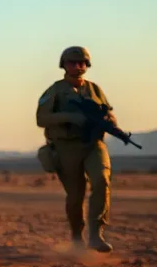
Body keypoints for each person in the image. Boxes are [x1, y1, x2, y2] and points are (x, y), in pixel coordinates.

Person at [36, 46, 115, 252]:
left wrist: (110, 122)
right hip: (66, 147)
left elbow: (108, 112)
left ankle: (96, 234)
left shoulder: (94, 89)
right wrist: (70, 117)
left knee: (102, 180)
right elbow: (41, 118)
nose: (77, 66)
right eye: (72, 63)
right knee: (75, 194)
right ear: (64, 65)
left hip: (93, 144)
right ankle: (76, 237)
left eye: (81, 63)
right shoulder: (55, 90)